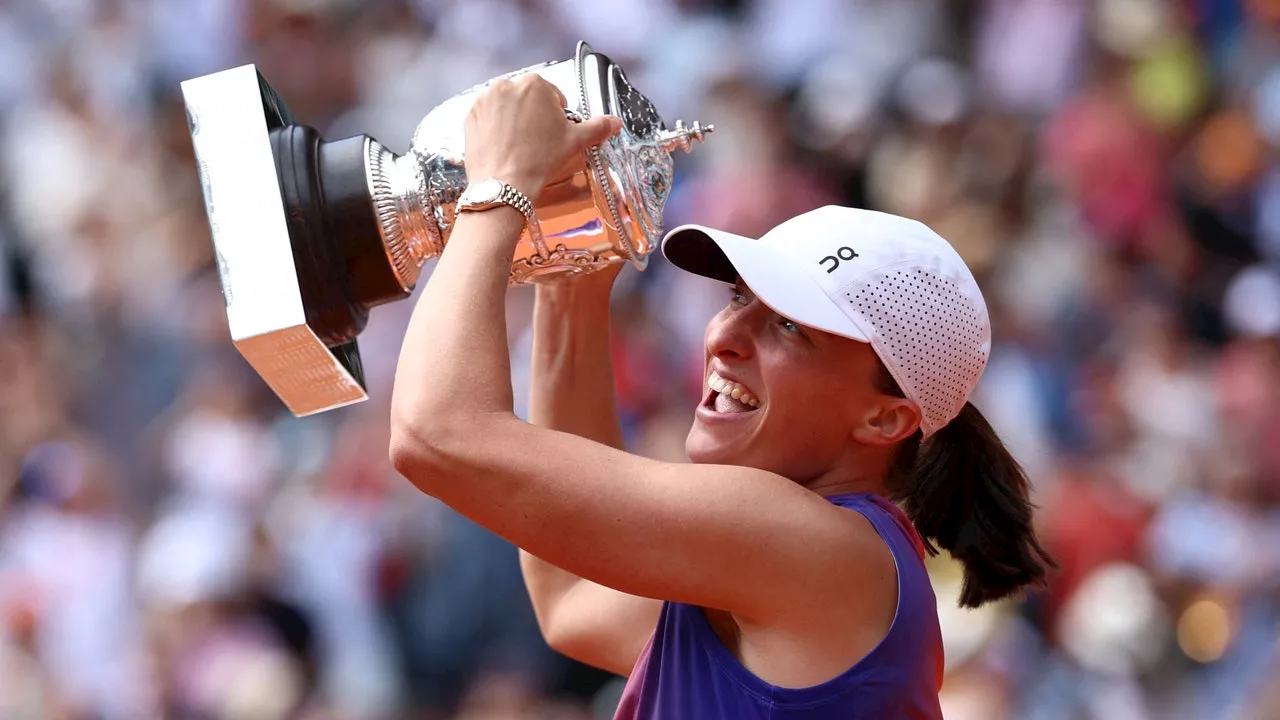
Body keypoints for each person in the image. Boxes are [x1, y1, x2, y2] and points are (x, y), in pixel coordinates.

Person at [388, 74, 1055, 719]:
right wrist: (576, 267)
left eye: (789, 327)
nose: (727, 335)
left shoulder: (815, 546)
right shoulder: (794, 562)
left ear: (886, 417)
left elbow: (437, 434)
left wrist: (501, 187)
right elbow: (575, 599)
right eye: (738, 297)